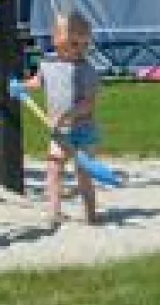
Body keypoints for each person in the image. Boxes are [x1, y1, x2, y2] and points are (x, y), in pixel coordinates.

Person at [24, 11, 101, 226]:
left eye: (85, 45)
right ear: (56, 40)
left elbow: (88, 103)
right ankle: (55, 211)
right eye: (75, 44)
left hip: (82, 130)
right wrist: (22, 86)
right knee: (54, 168)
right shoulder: (47, 64)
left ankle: (90, 213)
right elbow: (38, 82)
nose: (81, 50)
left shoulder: (87, 71)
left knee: (83, 173)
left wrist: (67, 115)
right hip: (59, 132)